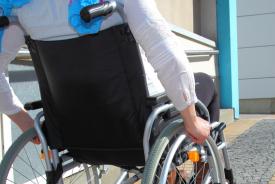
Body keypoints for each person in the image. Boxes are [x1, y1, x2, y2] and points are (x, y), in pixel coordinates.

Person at [0, 0, 219, 145]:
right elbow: (165, 53)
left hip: (72, 132)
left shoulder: (20, 7)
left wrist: (25, 123)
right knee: (206, 85)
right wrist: (191, 119)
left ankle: (171, 176)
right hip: (135, 126)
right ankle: (206, 172)